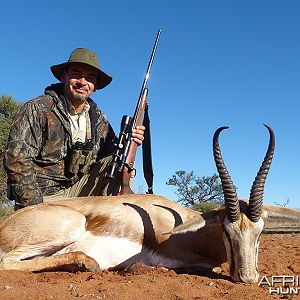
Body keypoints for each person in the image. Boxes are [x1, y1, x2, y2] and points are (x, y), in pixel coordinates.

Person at [4, 48, 145, 210]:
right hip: (43, 197)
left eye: (90, 78)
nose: (82, 82)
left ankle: (106, 222)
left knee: (120, 159)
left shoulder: (99, 119)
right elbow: (17, 161)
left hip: (79, 194)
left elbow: (113, 155)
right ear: (64, 77)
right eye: (76, 74)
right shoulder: (37, 109)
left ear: (95, 86)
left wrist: (131, 141)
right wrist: (35, 209)